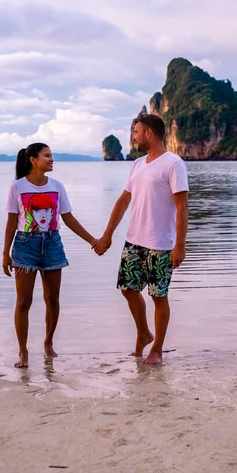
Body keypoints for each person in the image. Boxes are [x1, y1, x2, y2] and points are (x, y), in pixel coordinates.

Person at [94, 114, 189, 365]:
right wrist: (107, 234)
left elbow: (182, 207)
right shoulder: (137, 165)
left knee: (159, 296)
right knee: (128, 289)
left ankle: (156, 349)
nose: (133, 136)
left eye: (136, 132)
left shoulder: (173, 163)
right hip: (134, 241)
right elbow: (124, 201)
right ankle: (144, 333)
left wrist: (180, 245)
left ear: (149, 133)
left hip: (161, 244)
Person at [3, 142, 98, 368]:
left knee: (52, 299)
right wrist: (5, 254)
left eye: (52, 155)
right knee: (24, 301)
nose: (51, 159)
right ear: (33, 160)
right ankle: (23, 351)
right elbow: (10, 223)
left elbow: (69, 218)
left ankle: (48, 343)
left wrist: (93, 241)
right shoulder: (17, 187)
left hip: (53, 244)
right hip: (25, 246)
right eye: (47, 156)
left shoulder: (57, 186)